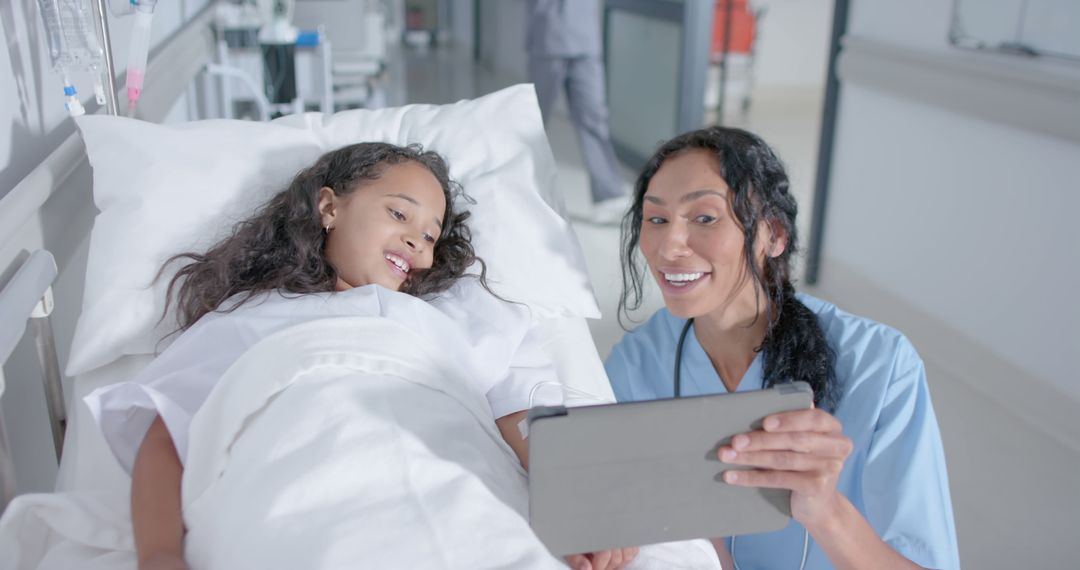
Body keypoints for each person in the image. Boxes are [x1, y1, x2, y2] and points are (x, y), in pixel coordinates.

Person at [84, 142, 636, 570]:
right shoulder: (247, 317)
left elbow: (524, 416)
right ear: (329, 206)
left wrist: (583, 508)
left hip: (441, 457)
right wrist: (159, 555)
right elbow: (166, 434)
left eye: (429, 236)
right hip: (293, 472)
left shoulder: (455, 313)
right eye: (400, 214)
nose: (417, 245)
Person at [604, 126, 960, 570]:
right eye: (656, 219)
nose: (668, 246)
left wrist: (825, 511)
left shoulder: (880, 366)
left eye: (705, 218)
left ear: (773, 235)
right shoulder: (636, 364)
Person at [525, 0, 628, 224]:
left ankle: (608, 196)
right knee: (532, 121)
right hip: (548, 38)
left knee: (594, 119)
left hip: (586, 41)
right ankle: (515, 188)